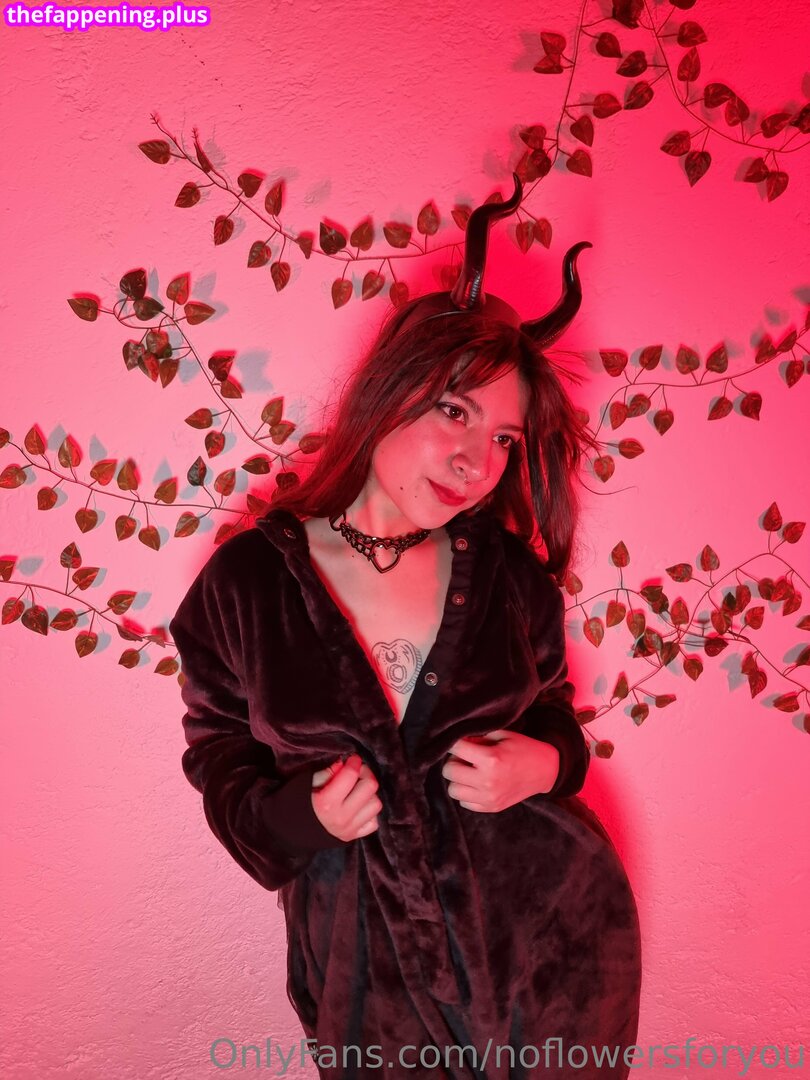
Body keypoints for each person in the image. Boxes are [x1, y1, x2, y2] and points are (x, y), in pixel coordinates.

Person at [169, 174, 642, 1079]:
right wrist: (299, 819)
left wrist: (546, 765)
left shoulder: (507, 578)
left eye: (503, 439)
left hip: (555, 958)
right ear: (389, 391)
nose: (476, 461)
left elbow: (556, 714)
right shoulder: (248, 584)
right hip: (369, 980)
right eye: (453, 410)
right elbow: (218, 753)